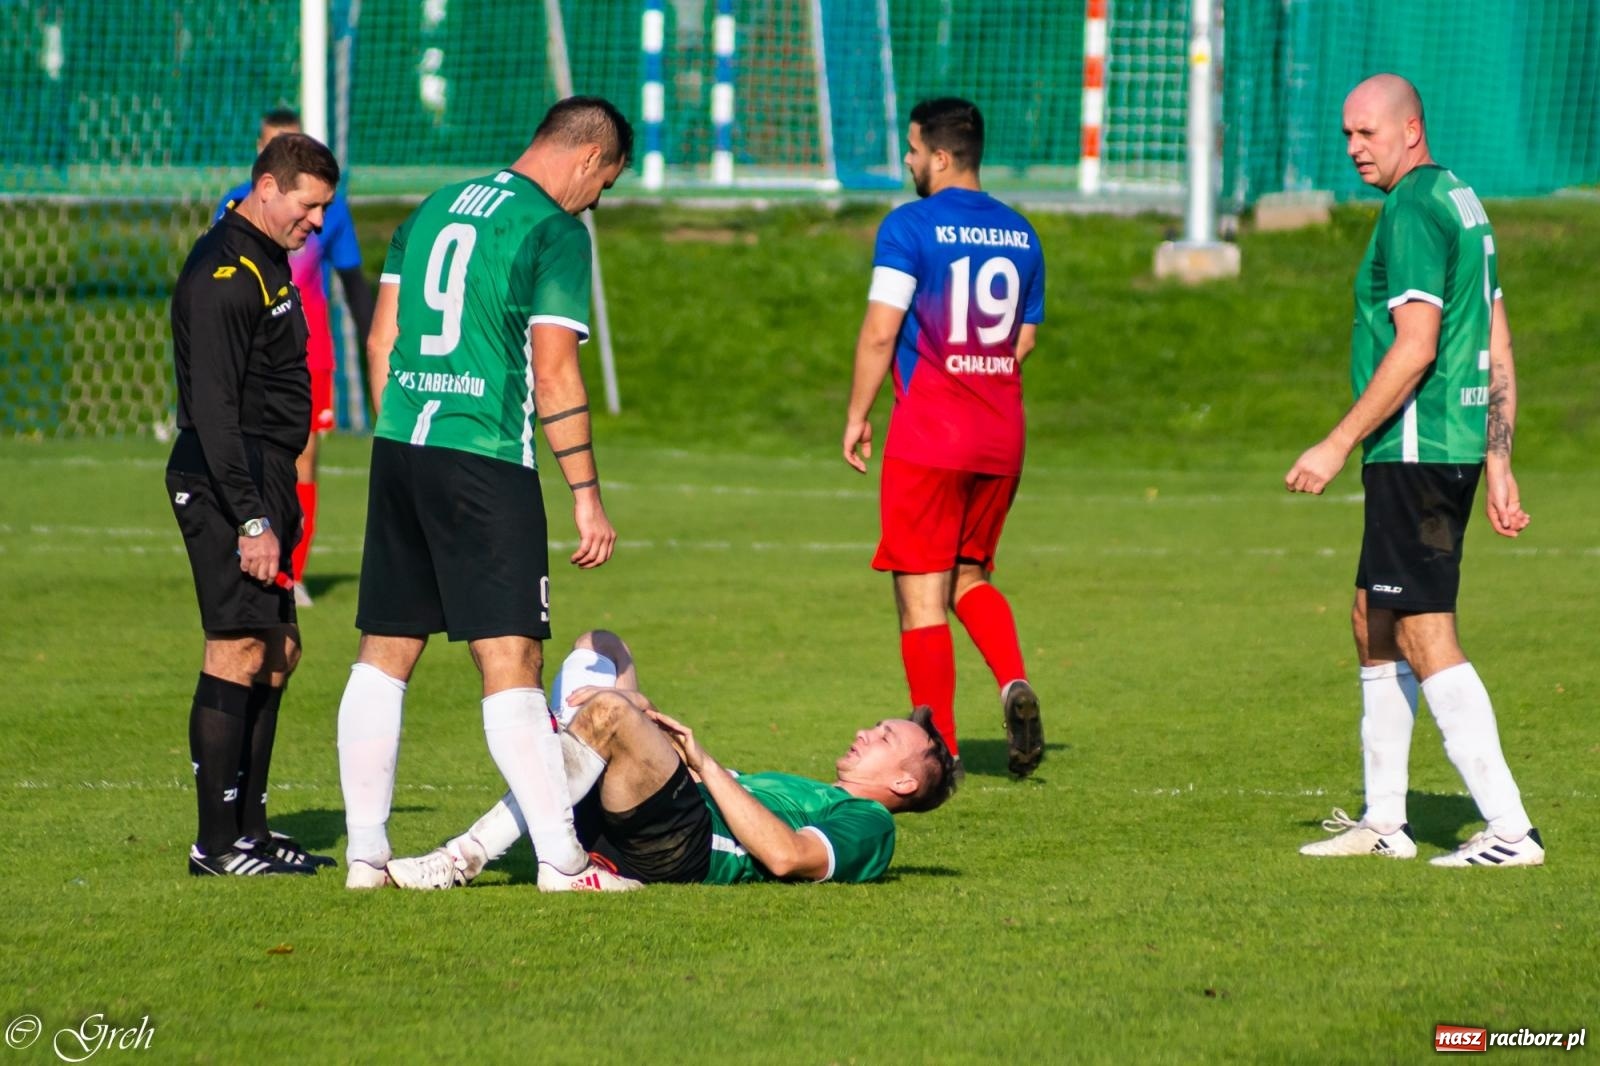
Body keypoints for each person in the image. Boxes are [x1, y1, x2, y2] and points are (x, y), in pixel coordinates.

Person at [337, 96, 636, 892]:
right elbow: (555, 371)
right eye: (604, 182)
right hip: (484, 459)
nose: (597, 200)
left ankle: (365, 856)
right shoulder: (554, 230)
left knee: (384, 652)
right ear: (587, 157)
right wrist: (586, 494)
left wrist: (400, 426)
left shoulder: (433, 207)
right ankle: (563, 862)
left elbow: (380, 338)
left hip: (402, 447)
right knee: (513, 659)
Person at [1286, 74, 1542, 867]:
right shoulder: (1463, 198)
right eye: (1347, 136)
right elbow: (1497, 339)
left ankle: (1509, 830)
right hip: (1455, 445)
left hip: (1415, 449)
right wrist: (1500, 459)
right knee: (1374, 619)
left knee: (1424, 631)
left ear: (1411, 128)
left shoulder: (1412, 208)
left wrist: (1335, 442)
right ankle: (1386, 821)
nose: (1355, 149)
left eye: (1367, 133)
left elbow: (1417, 344)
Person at [382, 630, 958, 889]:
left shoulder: (871, 825)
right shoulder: (817, 790)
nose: (864, 732)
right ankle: (565, 777)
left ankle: (463, 856)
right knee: (600, 647)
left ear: (904, 782)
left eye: (883, 737)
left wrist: (701, 763)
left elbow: (786, 857)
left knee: (606, 714)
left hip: (685, 846)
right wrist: (650, 719)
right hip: (662, 808)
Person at [841, 97, 1047, 778]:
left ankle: (943, 751)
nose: (907, 159)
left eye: (912, 148)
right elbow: (1024, 339)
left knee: (919, 599)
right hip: (1000, 435)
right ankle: (1012, 680)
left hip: (931, 436)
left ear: (942, 156)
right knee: (971, 576)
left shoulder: (909, 227)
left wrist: (858, 413)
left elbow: (879, 328)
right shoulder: (1022, 235)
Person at [166, 131, 342, 876]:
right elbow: (212, 408)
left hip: (263, 475)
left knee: (278, 652)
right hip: (223, 479)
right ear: (268, 186)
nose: (317, 223)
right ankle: (215, 844)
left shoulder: (270, 260)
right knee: (235, 649)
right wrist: (252, 517)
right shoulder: (223, 273)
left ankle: (251, 832)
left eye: (325, 209)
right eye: (310, 206)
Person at [217, 107, 375, 608]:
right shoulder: (235, 208)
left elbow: (353, 282)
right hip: (250, 356)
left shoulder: (328, 210)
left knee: (301, 461)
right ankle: (245, 557)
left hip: (309, 354)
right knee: (243, 456)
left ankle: (293, 572)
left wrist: (377, 347)